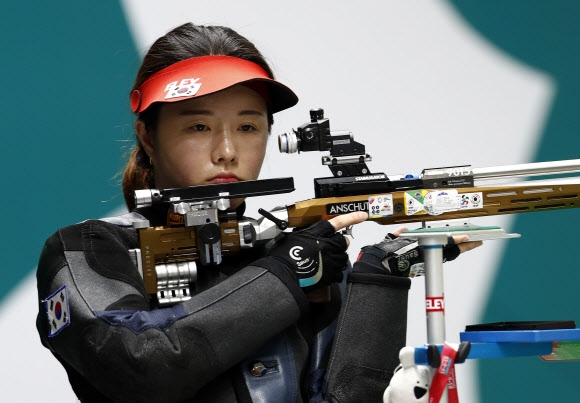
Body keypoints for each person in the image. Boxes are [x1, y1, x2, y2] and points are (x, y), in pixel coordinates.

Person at [35, 22, 481, 403]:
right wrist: (288, 272)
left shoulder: (300, 251)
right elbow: (142, 365)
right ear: (148, 137)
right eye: (198, 126)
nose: (227, 151)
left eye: (248, 127)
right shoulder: (88, 249)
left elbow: (349, 394)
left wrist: (379, 277)